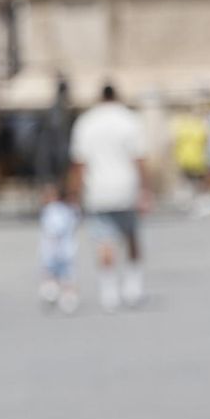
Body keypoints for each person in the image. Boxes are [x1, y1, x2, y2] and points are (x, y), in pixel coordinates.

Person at [69, 84, 150, 312]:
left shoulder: (86, 122)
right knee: (131, 236)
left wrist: (75, 193)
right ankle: (133, 287)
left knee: (104, 241)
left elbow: (79, 163)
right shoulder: (129, 120)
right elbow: (140, 158)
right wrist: (146, 190)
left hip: (97, 188)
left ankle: (109, 291)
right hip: (127, 186)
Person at [37, 181, 80, 314]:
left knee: (52, 274)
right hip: (68, 250)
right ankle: (66, 298)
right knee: (67, 276)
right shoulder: (70, 210)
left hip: (55, 250)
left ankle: (58, 296)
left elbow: (54, 231)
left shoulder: (53, 211)